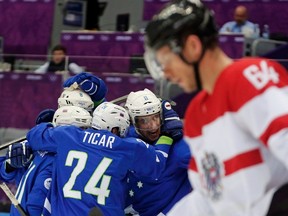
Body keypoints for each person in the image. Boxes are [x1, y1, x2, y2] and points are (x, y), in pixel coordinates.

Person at [144, 0, 288, 215]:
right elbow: (208, 197)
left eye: (165, 60)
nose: (165, 73)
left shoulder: (247, 77)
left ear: (192, 46)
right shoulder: (195, 115)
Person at [26, 102, 174, 216]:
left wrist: (49, 123)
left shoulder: (67, 135)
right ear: (115, 129)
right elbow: (157, 164)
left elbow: (34, 136)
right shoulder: (128, 147)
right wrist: (167, 135)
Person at [124, 88, 192, 216]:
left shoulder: (180, 147)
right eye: (144, 121)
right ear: (133, 121)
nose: (153, 126)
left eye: (155, 118)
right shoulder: (126, 136)